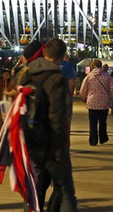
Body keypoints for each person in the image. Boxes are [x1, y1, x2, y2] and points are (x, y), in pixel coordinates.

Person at [20, 38, 77, 212]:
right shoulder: (56, 78)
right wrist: (61, 147)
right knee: (66, 191)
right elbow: (58, 116)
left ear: (45, 53)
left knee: (33, 191)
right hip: (51, 143)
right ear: (62, 56)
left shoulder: (25, 74)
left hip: (30, 141)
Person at [79, 58, 113, 146]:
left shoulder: (89, 77)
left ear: (92, 66)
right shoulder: (108, 76)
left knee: (93, 122)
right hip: (104, 103)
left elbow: (83, 89)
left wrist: (83, 97)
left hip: (92, 102)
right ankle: (103, 138)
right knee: (103, 121)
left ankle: (93, 140)